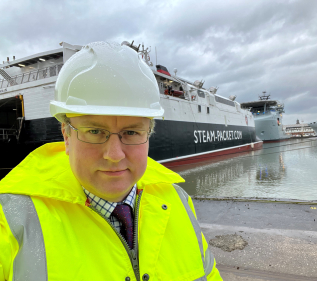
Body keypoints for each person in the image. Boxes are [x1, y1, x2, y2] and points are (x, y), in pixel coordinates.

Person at [0, 42, 222, 281]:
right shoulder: (12, 220)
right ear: (66, 135)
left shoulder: (179, 202)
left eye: (132, 133)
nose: (114, 155)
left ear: (149, 134)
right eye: (94, 132)